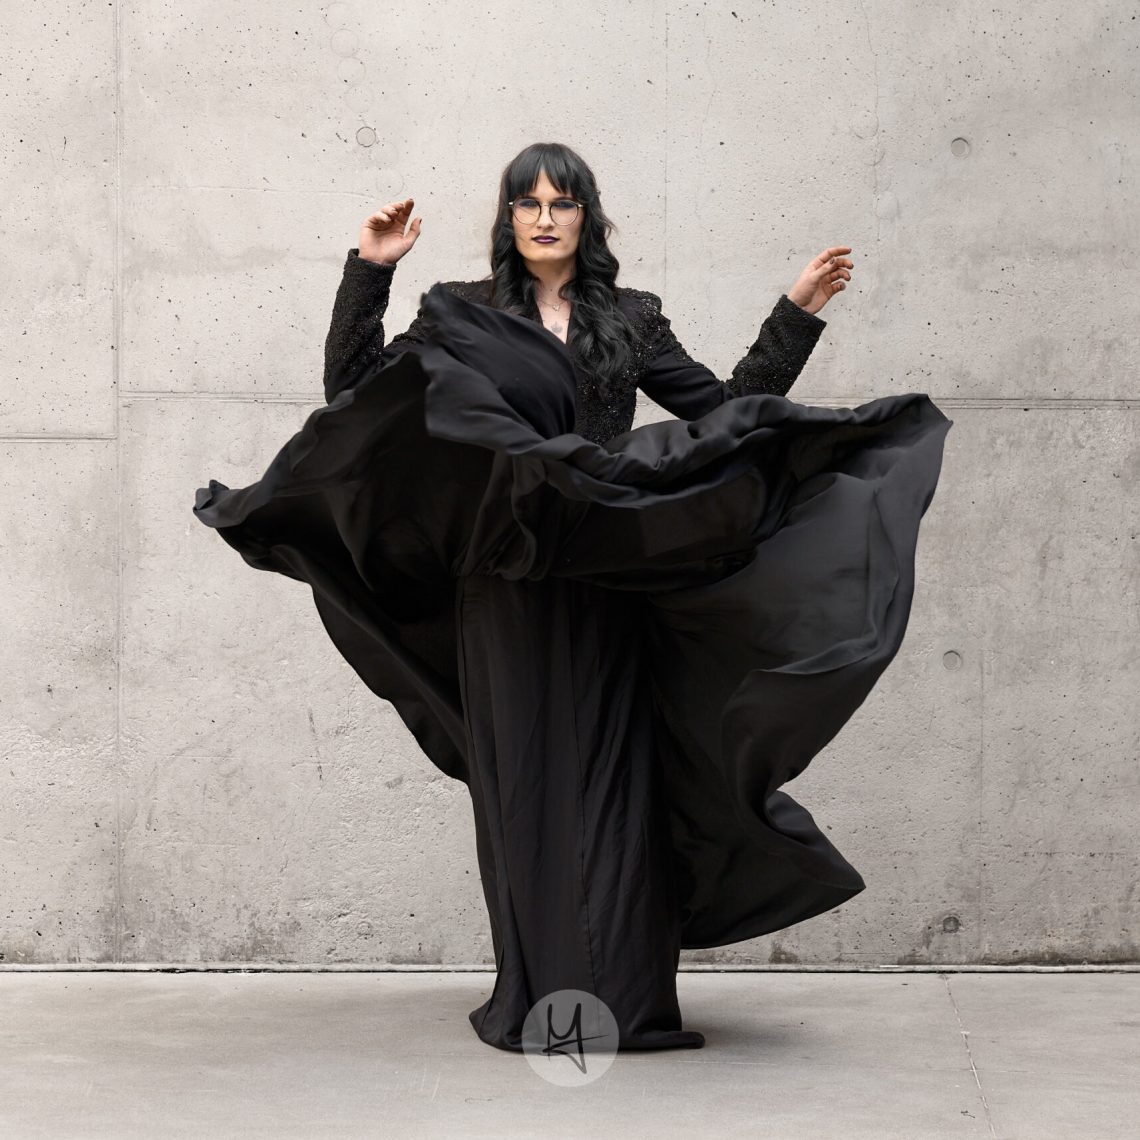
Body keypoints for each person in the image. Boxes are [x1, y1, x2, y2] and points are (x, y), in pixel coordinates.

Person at [194, 141, 951, 1055]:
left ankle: (624, 1005)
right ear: (508, 218)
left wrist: (792, 317)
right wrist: (370, 272)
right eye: (529, 202)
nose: (545, 216)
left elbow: (723, 418)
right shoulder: (459, 316)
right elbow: (353, 396)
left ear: (587, 217)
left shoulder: (629, 319)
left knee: (614, 782)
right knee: (523, 786)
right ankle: (537, 998)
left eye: (563, 201)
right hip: (502, 585)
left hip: (604, 582)